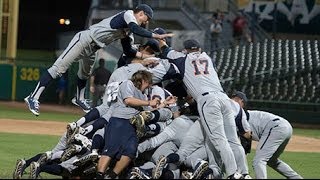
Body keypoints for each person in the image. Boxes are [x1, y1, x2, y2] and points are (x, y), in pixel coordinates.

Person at [24, 3, 174, 116]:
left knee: (84, 74)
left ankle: (79, 98)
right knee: (58, 69)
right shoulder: (128, 15)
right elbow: (136, 28)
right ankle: (33, 97)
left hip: (93, 48)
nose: (144, 22)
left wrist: (148, 57)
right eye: (144, 19)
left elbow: (128, 51)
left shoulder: (128, 31)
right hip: (84, 39)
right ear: (140, 13)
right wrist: (155, 36)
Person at [158, 38, 243, 178]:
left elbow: (166, 51)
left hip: (207, 100)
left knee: (219, 139)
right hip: (223, 97)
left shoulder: (183, 58)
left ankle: (233, 174)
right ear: (199, 49)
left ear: (186, 50)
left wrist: (161, 41)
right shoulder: (208, 58)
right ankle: (242, 172)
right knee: (232, 139)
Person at [95, 70, 160, 179]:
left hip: (132, 125)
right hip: (119, 121)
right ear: (143, 80)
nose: (149, 85)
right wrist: (149, 102)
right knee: (110, 149)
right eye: (149, 82)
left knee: (131, 151)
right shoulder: (128, 84)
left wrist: (163, 104)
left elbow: (148, 111)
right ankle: (99, 175)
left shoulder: (143, 96)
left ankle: (111, 176)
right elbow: (128, 100)